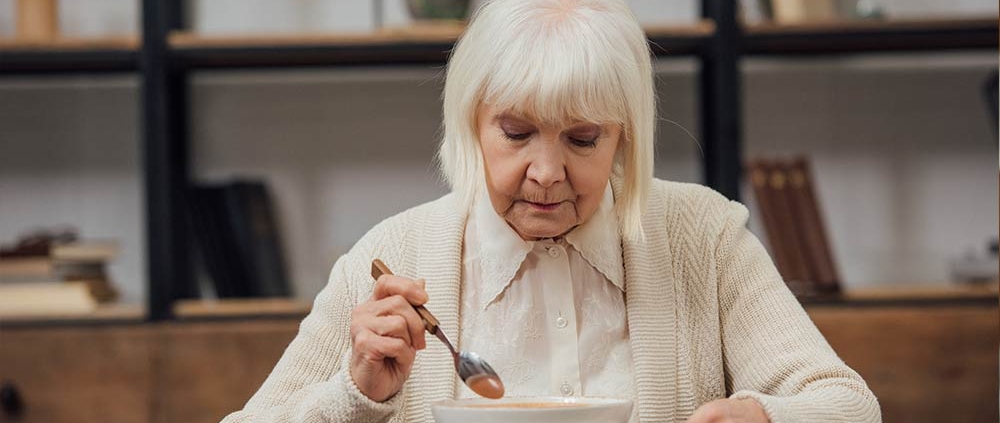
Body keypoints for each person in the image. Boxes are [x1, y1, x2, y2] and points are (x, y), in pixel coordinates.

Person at [220, 1, 881, 422]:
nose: (546, 173)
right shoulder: (394, 252)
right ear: (470, 123)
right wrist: (356, 395)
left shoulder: (702, 236)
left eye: (583, 139)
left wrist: (761, 415)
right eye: (516, 133)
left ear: (625, 136)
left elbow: (849, 406)